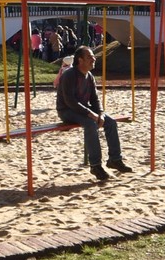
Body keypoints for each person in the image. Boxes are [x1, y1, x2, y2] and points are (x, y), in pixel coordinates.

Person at [56, 45, 132, 183]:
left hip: (83, 109)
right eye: (90, 57)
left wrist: (101, 113)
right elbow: (70, 101)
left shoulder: (89, 76)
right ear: (80, 60)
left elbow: (95, 99)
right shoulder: (69, 75)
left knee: (110, 122)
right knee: (90, 124)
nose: (93, 59)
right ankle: (95, 165)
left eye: (93, 56)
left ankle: (115, 159)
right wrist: (91, 114)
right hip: (66, 110)